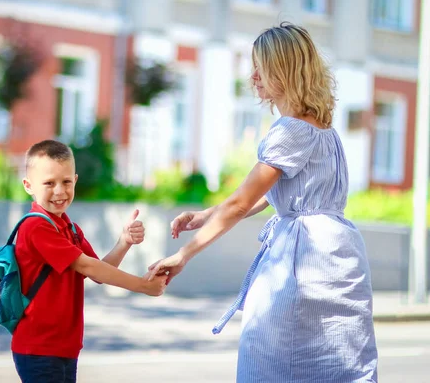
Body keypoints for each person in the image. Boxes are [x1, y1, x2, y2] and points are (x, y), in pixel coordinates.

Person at [147, 22, 378, 382]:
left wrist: (183, 255)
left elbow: (242, 202)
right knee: (338, 358)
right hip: (338, 253)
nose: (253, 76)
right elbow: (274, 198)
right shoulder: (324, 130)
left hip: (302, 262)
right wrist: (208, 214)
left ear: (283, 71)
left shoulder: (289, 130)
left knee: (275, 358)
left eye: (261, 67)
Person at [13, 139, 167, 383]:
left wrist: (124, 241)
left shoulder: (69, 227)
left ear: (75, 180)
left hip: (64, 346)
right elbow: (86, 265)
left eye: (65, 181)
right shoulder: (36, 227)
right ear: (28, 185)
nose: (59, 191)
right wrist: (141, 285)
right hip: (39, 348)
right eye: (49, 183)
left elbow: (98, 271)